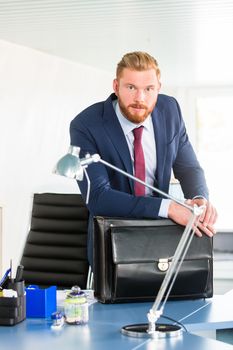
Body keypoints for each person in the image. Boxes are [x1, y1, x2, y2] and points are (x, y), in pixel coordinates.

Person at [70, 51, 217, 264]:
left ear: (158, 88)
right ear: (116, 86)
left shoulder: (170, 111)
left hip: (161, 240)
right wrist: (169, 207)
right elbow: (98, 198)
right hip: (112, 243)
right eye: (131, 87)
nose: (140, 98)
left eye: (149, 89)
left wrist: (199, 199)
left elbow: (189, 168)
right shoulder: (86, 125)